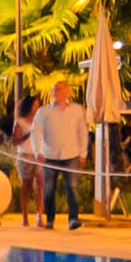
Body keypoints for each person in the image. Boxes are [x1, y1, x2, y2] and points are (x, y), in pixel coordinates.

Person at [28, 79, 90, 230]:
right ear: (51, 93)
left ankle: (73, 219)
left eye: (61, 89)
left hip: (71, 154)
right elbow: (36, 132)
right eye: (56, 90)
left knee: (72, 187)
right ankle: (50, 219)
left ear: (67, 92)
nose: (58, 93)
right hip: (49, 156)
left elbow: (82, 132)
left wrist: (83, 153)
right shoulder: (43, 111)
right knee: (49, 189)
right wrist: (38, 152)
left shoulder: (77, 110)